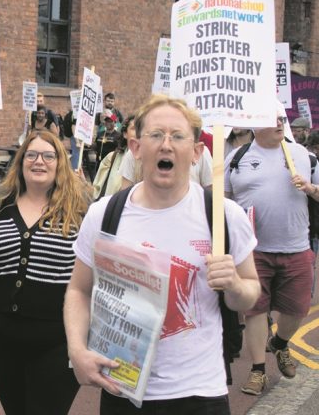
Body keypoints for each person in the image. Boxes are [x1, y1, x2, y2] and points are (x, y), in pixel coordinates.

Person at [65, 95, 260, 414]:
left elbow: (250, 294)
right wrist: (77, 349)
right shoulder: (105, 214)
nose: (166, 145)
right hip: (123, 388)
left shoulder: (223, 216)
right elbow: (78, 289)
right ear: (136, 147)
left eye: (178, 136)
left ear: (197, 152)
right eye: (156, 135)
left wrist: (235, 286)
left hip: (200, 393)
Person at [0, 129, 89, 415]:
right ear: (21, 161)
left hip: (58, 340)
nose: (40, 161)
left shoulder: (80, 213)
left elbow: (92, 275)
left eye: (49, 156)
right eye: (32, 155)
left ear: (60, 163)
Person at [225, 114, 319, 396]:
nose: (279, 123)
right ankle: (257, 371)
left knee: (297, 310)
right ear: (255, 124)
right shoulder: (237, 158)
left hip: (296, 247)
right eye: (271, 119)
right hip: (253, 251)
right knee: (254, 310)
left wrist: (311, 188)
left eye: (281, 118)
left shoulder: (303, 155)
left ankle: (279, 343)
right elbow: (224, 203)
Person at [92, 115, 134, 200]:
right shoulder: (100, 134)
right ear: (125, 134)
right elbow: (96, 189)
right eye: (107, 121)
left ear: (115, 123)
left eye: (110, 121)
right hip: (106, 163)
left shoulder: (150, 163)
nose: (108, 123)